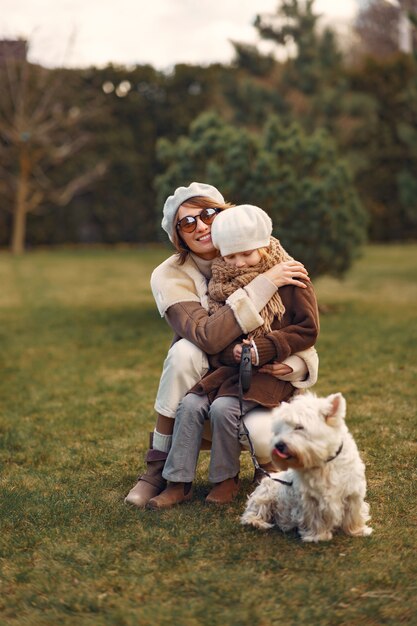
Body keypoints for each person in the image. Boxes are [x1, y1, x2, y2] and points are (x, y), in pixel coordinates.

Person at [125, 182, 318, 508]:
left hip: (261, 381)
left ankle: (265, 466)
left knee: (254, 428)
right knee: (185, 352)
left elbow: (300, 327)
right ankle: (159, 470)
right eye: (187, 222)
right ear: (178, 236)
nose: (200, 226)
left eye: (208, 213)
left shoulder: (271, 255)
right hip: (210, 373)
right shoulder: (170, 274)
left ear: (225, 215)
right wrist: (263, 284)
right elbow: (207, 337)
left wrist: (300, 365)